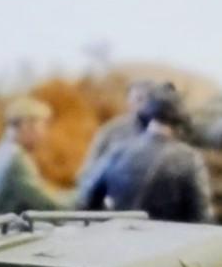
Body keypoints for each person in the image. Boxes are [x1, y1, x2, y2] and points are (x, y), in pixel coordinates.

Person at [76, 82, 214, 223]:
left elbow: (86, 200)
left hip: (118, 233)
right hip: (166, 236)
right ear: (180, 123)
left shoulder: (118, 151)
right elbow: (203, 219)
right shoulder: (189, 160)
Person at [0, 96, 60, 214]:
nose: (44, 134)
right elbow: (48, 204)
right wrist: (82, 197)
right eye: (43, 126)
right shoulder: (16, 159)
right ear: (27, 126)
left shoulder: (0, 151)